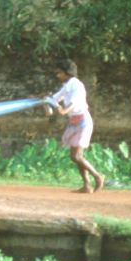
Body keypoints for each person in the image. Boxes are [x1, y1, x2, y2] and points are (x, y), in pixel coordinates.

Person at [45, 58, 105, 194]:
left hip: (82, 121)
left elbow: (75, 102)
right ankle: (87, 185)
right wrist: (46, 100)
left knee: (77, 156)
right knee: (75, 156)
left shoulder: (76, 85)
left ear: (67, 73)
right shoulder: (67, 86)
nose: (57, 75)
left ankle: (97, 176)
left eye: (59, 72)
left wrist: (63, 110)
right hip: (74, 122)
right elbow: (55, 99)